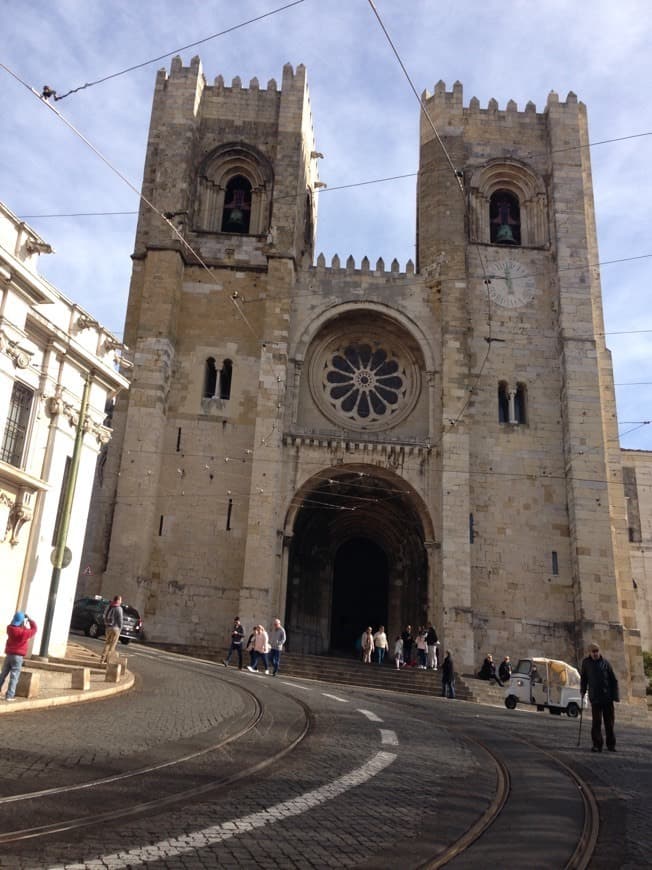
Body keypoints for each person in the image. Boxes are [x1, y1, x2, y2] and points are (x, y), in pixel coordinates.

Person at [580, 642, 619, 753]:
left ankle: (611, 745)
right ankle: (597, 745)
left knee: (609, 723)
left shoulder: (605, 663)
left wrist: (615, 696)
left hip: (607, 698)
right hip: (595, 698)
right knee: (596, 723)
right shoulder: (586, 663)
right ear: (590, 652)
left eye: (597, 651)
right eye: (593, 652)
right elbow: (584, 679)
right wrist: (582, 690)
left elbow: (614, 680)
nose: (596, 653)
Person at [0, 611, 38, 701]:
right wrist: (29, 620)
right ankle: (9, 695)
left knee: (3, 674)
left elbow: (14, 625)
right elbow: (34, 629)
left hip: (9, 655)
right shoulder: (24, 633)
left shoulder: (9, 628)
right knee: (14, 676)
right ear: (21, 622)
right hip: (18, 657)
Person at [100, 595, 123, 664]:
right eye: (121, 600)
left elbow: (104, 616)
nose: (121, 601)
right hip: (115, 628)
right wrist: (120, 628)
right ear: (118, 600)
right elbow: (120, 620)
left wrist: (106, 624)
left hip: (108, 628)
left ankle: (102, 659)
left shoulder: (109, 606)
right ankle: (108, 660)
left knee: (107, 643)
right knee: (112, 645)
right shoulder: (119, 608)